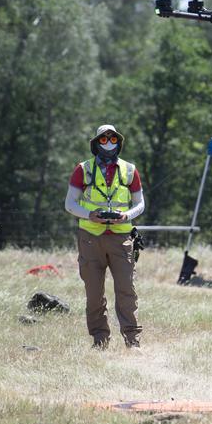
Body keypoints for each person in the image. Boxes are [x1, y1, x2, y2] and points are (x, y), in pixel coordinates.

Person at [64, 124, 147, 348]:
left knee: (126, 290)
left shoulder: (130, 170)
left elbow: (140, 204)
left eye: (113, 140)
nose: (109, 143)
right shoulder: (83, 169)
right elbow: (70, 204)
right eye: (103, 140)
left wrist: (126, 215)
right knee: (93, 292)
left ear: (119, 143)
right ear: (96, 143)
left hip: (121, 238)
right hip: (90, 237)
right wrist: (90, 215)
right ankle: (100, 340)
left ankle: (133, 341)